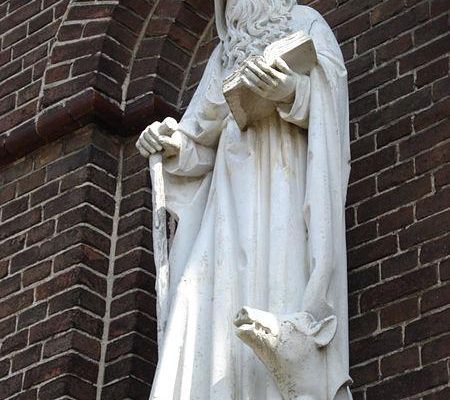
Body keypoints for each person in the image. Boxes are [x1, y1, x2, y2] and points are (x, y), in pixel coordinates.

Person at [136, 1, 352, 399]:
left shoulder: (305, 23)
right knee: (197, 299)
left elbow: (332, 108)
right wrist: (170, 144)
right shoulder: (223, 56)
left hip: (287, 192)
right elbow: (198, 138)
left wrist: (291, 92)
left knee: (279, 291)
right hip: (227, 206)